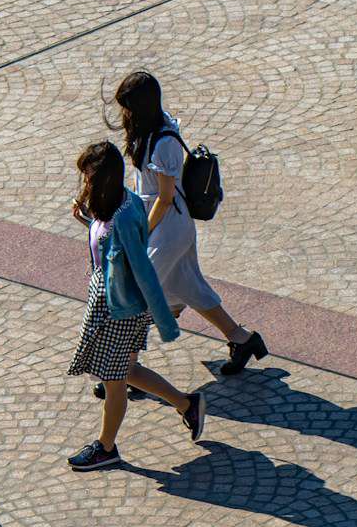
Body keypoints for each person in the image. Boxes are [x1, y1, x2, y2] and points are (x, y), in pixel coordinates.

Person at [112, 70, 268, 376]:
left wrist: (143, 230)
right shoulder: (150, 132)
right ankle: (243, 339)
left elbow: (165, 197)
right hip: (164, 225)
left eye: (128, 106)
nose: (124, 114)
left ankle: (122, 369)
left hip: (168, 228)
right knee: (188, 287)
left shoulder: (163, 142)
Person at [66, 141, 206, 473]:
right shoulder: (113, 206)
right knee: (126, 373)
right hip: (111, 303)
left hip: (122, 311)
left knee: (115, 382)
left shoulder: (125, 213)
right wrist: (87, 222)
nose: (84, 184)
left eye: (87, 177)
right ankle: (188, 404)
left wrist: (163, 321)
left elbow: (142, 269)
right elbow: (111, 246)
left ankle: (106, 447)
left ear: (102, 179)